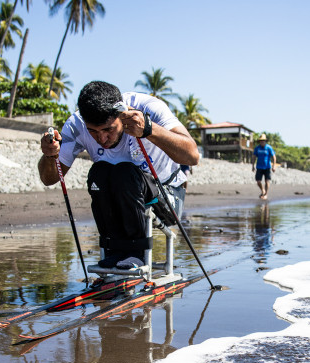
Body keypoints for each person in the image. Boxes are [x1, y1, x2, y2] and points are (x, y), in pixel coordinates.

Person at [38, 80, 199, 269]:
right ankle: (114, 252)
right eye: (93, 132)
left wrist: (149, 129)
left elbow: (192, 156)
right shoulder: (76, 124)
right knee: (98, 173)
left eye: (108, 130)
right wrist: (49, 155)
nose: (102, 139)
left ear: (122, 115)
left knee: (125, 172)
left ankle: (136, 253)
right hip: (122, 190)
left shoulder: (149, 107)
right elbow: (49, 179)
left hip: (168, 195)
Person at [252, 134, 276, 199]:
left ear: (265, 141)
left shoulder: (269, 148)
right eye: (261, 141)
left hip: (267, 167)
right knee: (258, 181)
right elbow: (254, 157)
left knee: (267, 181)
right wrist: (253, 166)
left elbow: (274, 157)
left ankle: (266, 194)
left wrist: (274, 166)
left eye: (263, 140)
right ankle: (263, 190)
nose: (262, 142)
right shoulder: (257, 148)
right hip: (259, 167)